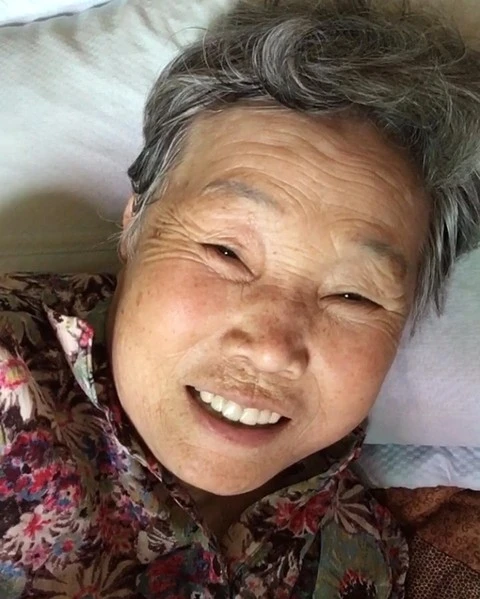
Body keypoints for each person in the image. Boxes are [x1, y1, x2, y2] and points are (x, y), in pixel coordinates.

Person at [1, 0, 479, 597]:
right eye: (226, 252)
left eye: (353, 295)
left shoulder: (366, 556)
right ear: (135, 224)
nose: (273, 349)